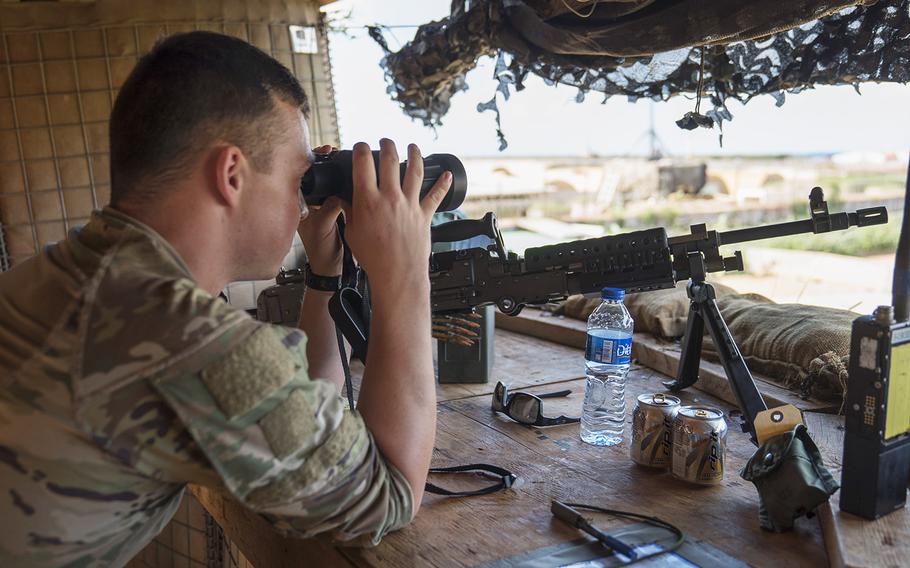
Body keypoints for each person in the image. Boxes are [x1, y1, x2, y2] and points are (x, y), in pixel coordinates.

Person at [0, 31, 450, 566]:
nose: (303, 203)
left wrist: (325, 274)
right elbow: (386, 494)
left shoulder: (74, 270)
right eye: (298, 179)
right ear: (231, 174)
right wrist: (404, 270)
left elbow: (300, 421)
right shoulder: (181, 336)